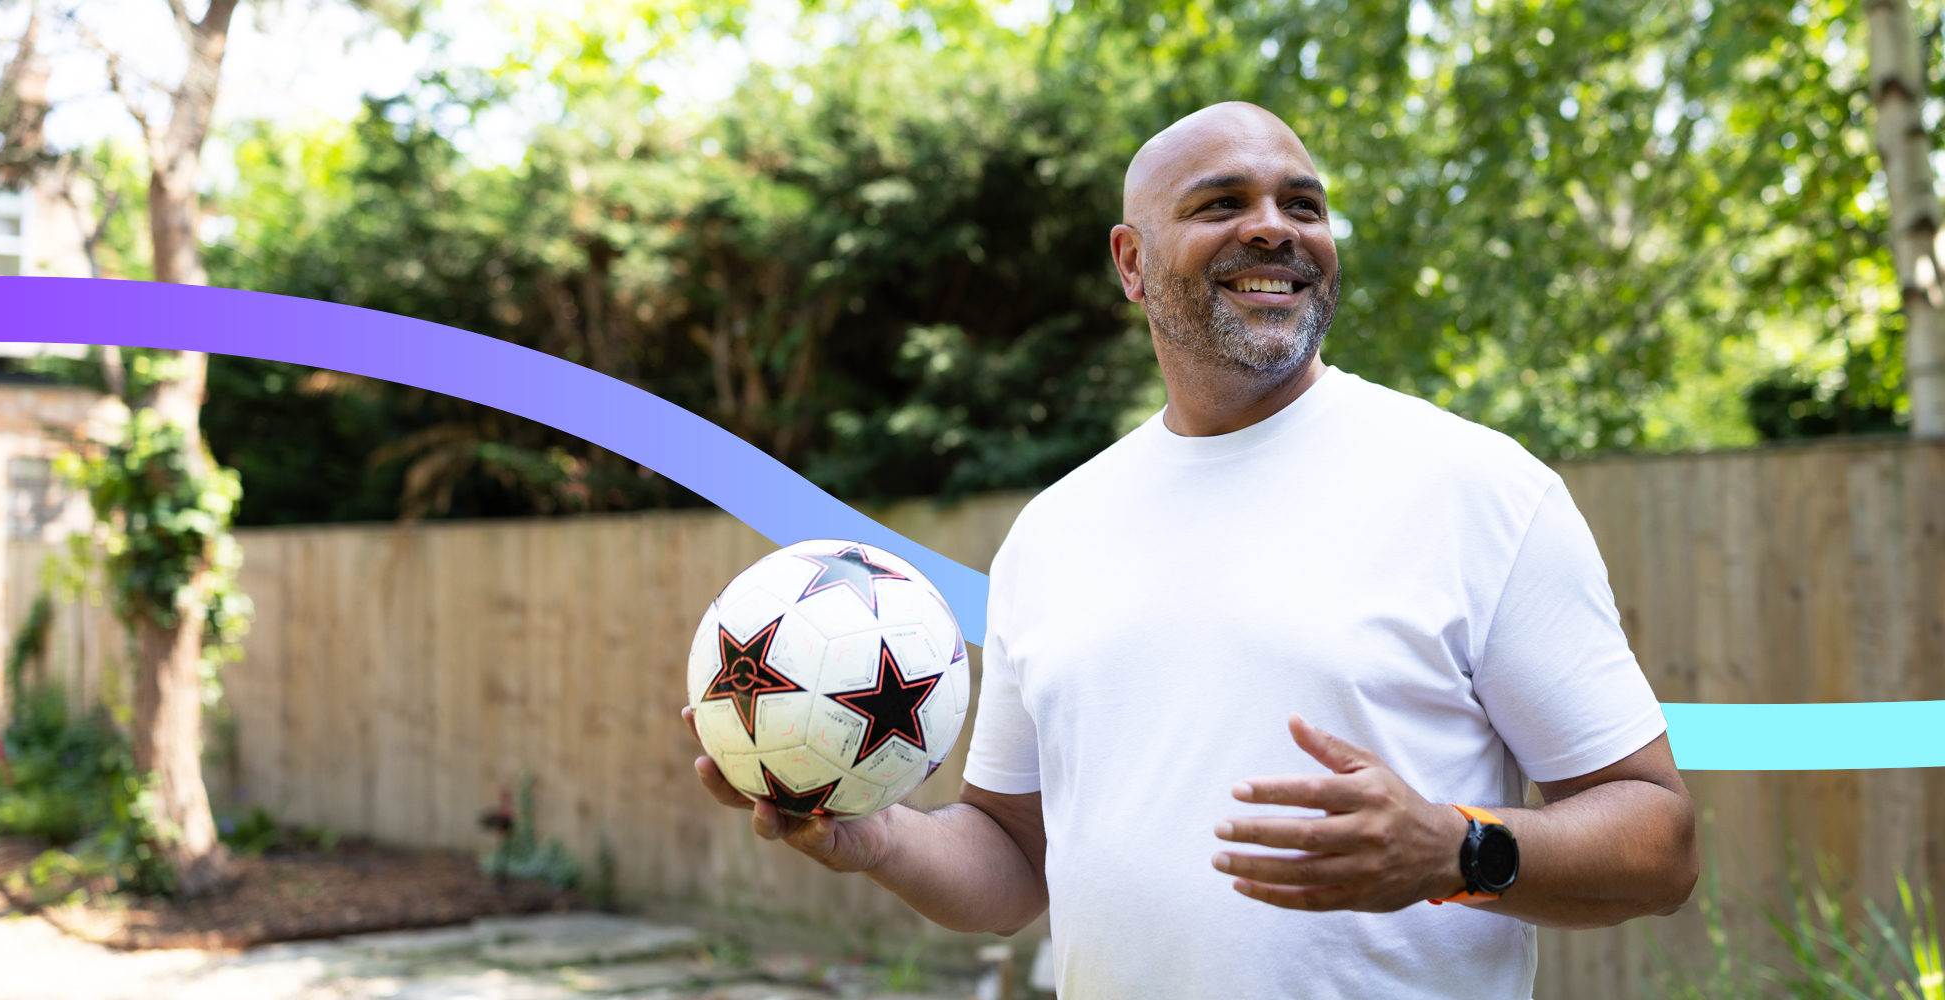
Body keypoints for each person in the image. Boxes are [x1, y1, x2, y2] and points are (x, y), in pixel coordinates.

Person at [683, 101, 1697, 999]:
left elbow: (1658, 843)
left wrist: (1459, 848)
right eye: (1221, 203)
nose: (1273, 226)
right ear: (1129, 262)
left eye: (1301, 205)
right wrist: (875, 836)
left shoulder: (1476, 488)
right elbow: (1010, 868)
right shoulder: (1055, 532)